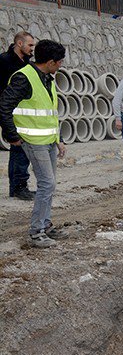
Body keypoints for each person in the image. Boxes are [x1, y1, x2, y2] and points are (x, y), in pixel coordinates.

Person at [0, 39, 67, 248]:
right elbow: (4, 106)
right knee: (47, 184)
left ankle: (45, 225)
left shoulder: (47, 78)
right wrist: (12, 135)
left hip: (47, 139)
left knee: (50, 184)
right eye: (59, 61)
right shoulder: (24, 77)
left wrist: (59, 139)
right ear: (50, 61)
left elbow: (50, 112)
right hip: (33, 140)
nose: (61, 65)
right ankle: (37, 231)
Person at [0, 31, 35, 201]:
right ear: (19, 44)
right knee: (18, 148)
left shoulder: (28, 63)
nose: (32, 49)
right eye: (30, 45)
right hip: (8, 111)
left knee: (19, 149)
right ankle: (18, 186)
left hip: (23, 113)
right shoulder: (4, 61)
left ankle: (18, 186)